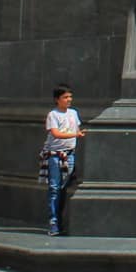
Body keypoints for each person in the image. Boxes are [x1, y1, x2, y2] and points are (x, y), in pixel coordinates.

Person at [40, 84, 86, 236]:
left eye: (70, 97)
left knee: (63, 188)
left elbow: (76, 129)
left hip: (69, 154)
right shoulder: (53, 115)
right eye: (65, 97)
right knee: (54, 188)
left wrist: (80, 133)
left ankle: (60, 220)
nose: (69, 100)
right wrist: (75, 135)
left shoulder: (73, 113)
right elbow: (56, 133)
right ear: (57, 99)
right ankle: (53, 221)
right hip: (55, 155)